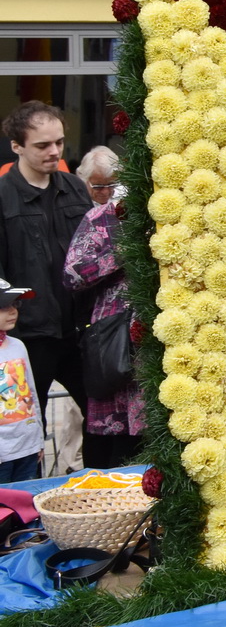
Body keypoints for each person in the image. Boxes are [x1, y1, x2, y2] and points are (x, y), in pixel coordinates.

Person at [0, 103, 93, 421]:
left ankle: (100, 473)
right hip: (27, 337)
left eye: (59, 142)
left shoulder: (76, 188)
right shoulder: (2, 196)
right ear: (17, 146)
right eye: (42, 145)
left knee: (99, 420)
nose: (54, 151)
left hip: (81, 330)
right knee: (24, 425)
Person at [64, 147, 143, 469]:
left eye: (115, 183)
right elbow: (73, 274)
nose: (109, 192)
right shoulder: (99, 219)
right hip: (114, 335)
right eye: (100, 186)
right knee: (114, 441)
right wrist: (124, 253)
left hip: (156, 332)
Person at [0, 275, 43, 483]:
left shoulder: (18, 346)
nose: (13, 311)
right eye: (3, 306)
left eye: (14, 304)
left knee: (25, 508)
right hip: (2, 453)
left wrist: (39, 440)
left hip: (26, 447)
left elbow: (32, 393)